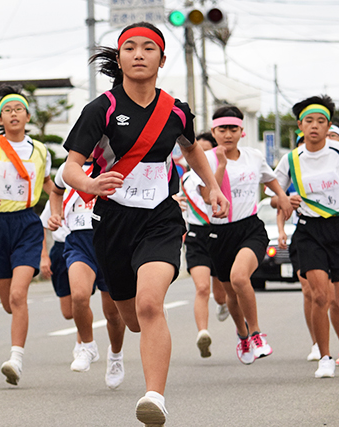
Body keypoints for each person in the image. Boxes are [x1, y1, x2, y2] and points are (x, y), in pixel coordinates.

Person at [61, 22, 228, 426]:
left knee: (151, 303)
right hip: (113, 221)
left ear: (161, 59)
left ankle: (155, 396)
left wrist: (212, 187)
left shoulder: (176, 110)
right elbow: (70, 169)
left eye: (148, 48)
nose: (139, 54)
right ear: (119, 59)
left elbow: (192, 151)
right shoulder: (100, 109)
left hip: (161, 218)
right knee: (132, 316)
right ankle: (127, 337)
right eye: (130, 48)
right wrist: (91, 182)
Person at [0, 84, 53, 386]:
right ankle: (16, 329)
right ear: (1, 118)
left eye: (18, 109)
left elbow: (52, 185)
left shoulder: (41, 150)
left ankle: (16, 358)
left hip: (27, 224)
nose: (13, 114)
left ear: (27, 116)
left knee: (19, 295)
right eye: (7, 110)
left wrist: (56, 211)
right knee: (7, 301)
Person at [196, 106, 292, 367]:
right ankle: (242, 334)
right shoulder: (204, 158)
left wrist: (282, 197)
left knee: (240, 278)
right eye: (222, 129)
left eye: (233, 129)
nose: (228, 134)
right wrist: (221, 165)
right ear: (214, 131)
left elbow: (269, 179)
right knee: (230, 291)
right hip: (219, 232)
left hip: (250, 227)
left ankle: (258, 333)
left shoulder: (254, 156)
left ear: (242, 131)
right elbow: (207, 197)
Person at [274, 95, 339, 378]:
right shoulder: (290, 160)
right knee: (320, 295)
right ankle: (324, 356)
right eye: (309, 121)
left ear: (328, 127)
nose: (314, 126)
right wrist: (286, 200)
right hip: (309, 231)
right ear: (300, 125)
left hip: (337, 227)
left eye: (321, 121)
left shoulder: (337, 153)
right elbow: (275, 197)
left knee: (337, 300)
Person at [48, 158, 127, 389]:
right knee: (79, 296)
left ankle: (115, 356)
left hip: (111, 240)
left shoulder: (118, 164)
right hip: (79, 241)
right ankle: (87, 346)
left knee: (113, 313)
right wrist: (55, 213)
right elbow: (55, 191)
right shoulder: (68, 168)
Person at [180, 132, 229, 358]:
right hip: (196, 237)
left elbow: (212, 196)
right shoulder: (187, 178)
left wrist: (220, 167)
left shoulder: (225, 175)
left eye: (208, 152)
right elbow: (207, 196)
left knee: (220, 294)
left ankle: (223, 304)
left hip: (218, 234)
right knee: (202, 288)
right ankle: (203, 333)